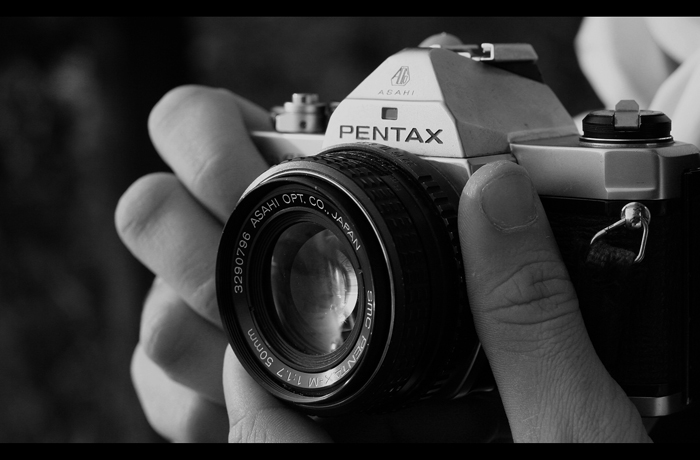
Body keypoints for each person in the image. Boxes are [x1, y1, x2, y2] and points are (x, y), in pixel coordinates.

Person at [114, 19, 700, 442]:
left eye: (329, 278)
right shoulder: (626, 57)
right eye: (328, 277)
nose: (325, 283)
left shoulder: (640, 166)